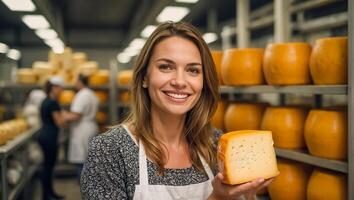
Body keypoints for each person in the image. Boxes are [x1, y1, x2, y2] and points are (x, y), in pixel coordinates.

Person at [81, 22, 273, 200]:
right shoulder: (110, 150)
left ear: (203, 82)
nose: (180, 82)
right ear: (144, 77)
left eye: (193, 70)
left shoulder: (216, 145)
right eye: (166, 67)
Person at [63, 74, 99, 178]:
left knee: (81, 161)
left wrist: (64, 116)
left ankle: (86, 187)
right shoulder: (92, 94)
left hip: (82, 130)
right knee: (89, 159)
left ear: (79, 82)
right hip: (91, 127)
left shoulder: (82, 95)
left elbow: (76, 115)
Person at [37, 76, 66, 200]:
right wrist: (64, 118)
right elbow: (59, 122)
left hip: (44, 135)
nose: (61, 91)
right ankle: (46, 195)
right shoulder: (53, 102)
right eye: (60, 88)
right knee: (48, 167)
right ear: (54, 88)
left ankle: (49, 193)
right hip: (50, 137)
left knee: (47, 166)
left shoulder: (45, 100)